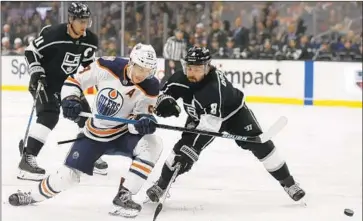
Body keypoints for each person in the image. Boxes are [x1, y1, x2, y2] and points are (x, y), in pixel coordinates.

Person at [9, 43, 163, 218]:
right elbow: (74, 80)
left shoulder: (151, 86)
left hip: (122, 134)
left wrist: (144, 122)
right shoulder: (107, 65)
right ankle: (31, 196)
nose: (142, 75)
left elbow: (138, 119)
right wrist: (71, 99)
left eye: (147, 71)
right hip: (94, 134)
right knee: (67, 177)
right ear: (131, 62)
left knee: (153, 143)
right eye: (140, 68)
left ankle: (123, 196)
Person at [146, 46, 306, 203]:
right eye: (189, 68)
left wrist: (193, 149)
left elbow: (210, 127)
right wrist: (163, 101)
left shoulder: (214, 89)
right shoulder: (180, 78)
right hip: (201, 115)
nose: (191, 73)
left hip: (234, 115)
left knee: (261, 145)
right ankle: (161, 185)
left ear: (207, 67)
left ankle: (289, 183)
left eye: (197, 69)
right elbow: (162, 92)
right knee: (181, 150)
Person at [18, 2, 108, 181]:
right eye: (81, 21)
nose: (84, 26)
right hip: (45, 81)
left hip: (68, 83)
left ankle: (88, 155)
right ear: (71, 20)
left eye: (87, 22)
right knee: (49, 116)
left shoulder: (90, 39)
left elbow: (88, 66)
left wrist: (100, 85)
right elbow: (31, 51)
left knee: (86, 117)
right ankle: (28, 159)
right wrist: (36, 70)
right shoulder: (54, 34)